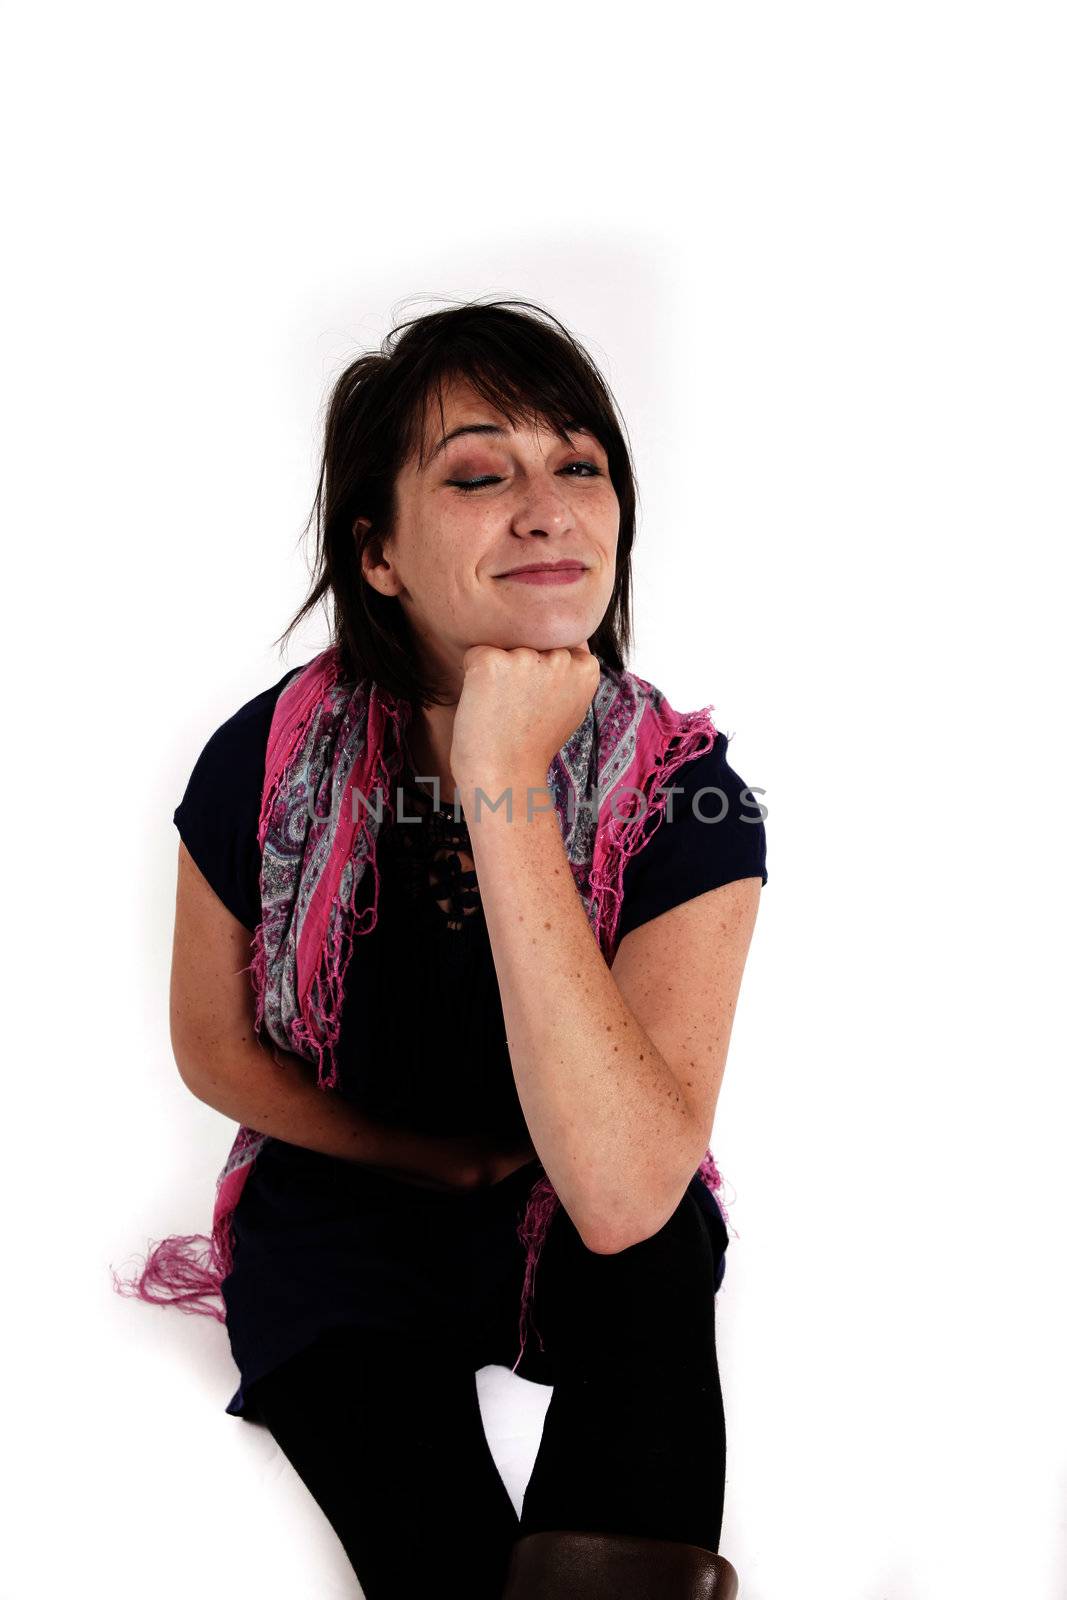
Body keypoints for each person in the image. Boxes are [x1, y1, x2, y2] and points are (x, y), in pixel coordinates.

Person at [115, 298, 768, 1599]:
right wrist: (417, 1156)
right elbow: (210, 1043)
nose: (549, 506)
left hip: (588, 1197)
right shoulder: (261, 758)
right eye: (479, 473)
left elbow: (634, 1186)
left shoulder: (689, 797)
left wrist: (507, 782)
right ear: (379, 554)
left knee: (655, 1269)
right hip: (340, 1204)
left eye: (579, 464)